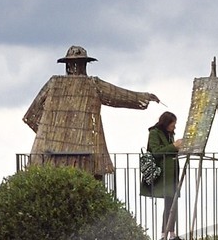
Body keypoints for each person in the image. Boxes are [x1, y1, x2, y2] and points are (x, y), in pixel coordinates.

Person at [23, 46, 157, 179]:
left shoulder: (54, 84)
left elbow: (31, 116)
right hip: (85, 158)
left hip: (52, 157)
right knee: (88, 188)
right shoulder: (92, 84)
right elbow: (119, 95)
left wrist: (48, 135)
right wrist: (145, 97)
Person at [145, 110, 182, 240]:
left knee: (173, 203)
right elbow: (155, 152)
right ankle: (164, 234)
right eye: (173, 124)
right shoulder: (154, 133)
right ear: (166, 123)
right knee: (168, 202)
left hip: (172, 173)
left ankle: (171, 233)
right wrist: (173, 146)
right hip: (162, 173)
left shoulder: (169, 134)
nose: (174, 127)